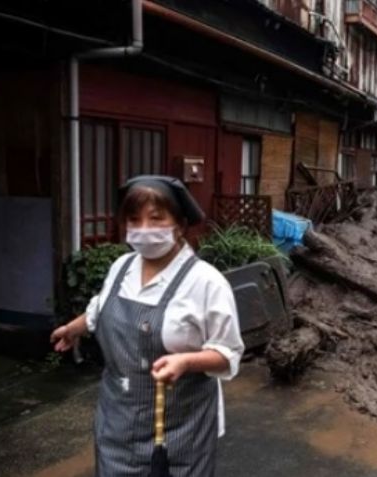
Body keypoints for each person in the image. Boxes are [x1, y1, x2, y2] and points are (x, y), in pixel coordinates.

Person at [51, 175, 245, 476]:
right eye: (134, 219)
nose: (144, 229)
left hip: (181, 427)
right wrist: (73, 329)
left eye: (156, 219)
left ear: (179, 224)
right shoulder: (122, 267)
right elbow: (99, 309)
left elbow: (228, 353)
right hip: (117, 419)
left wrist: (186, 361)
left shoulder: (206, 282)